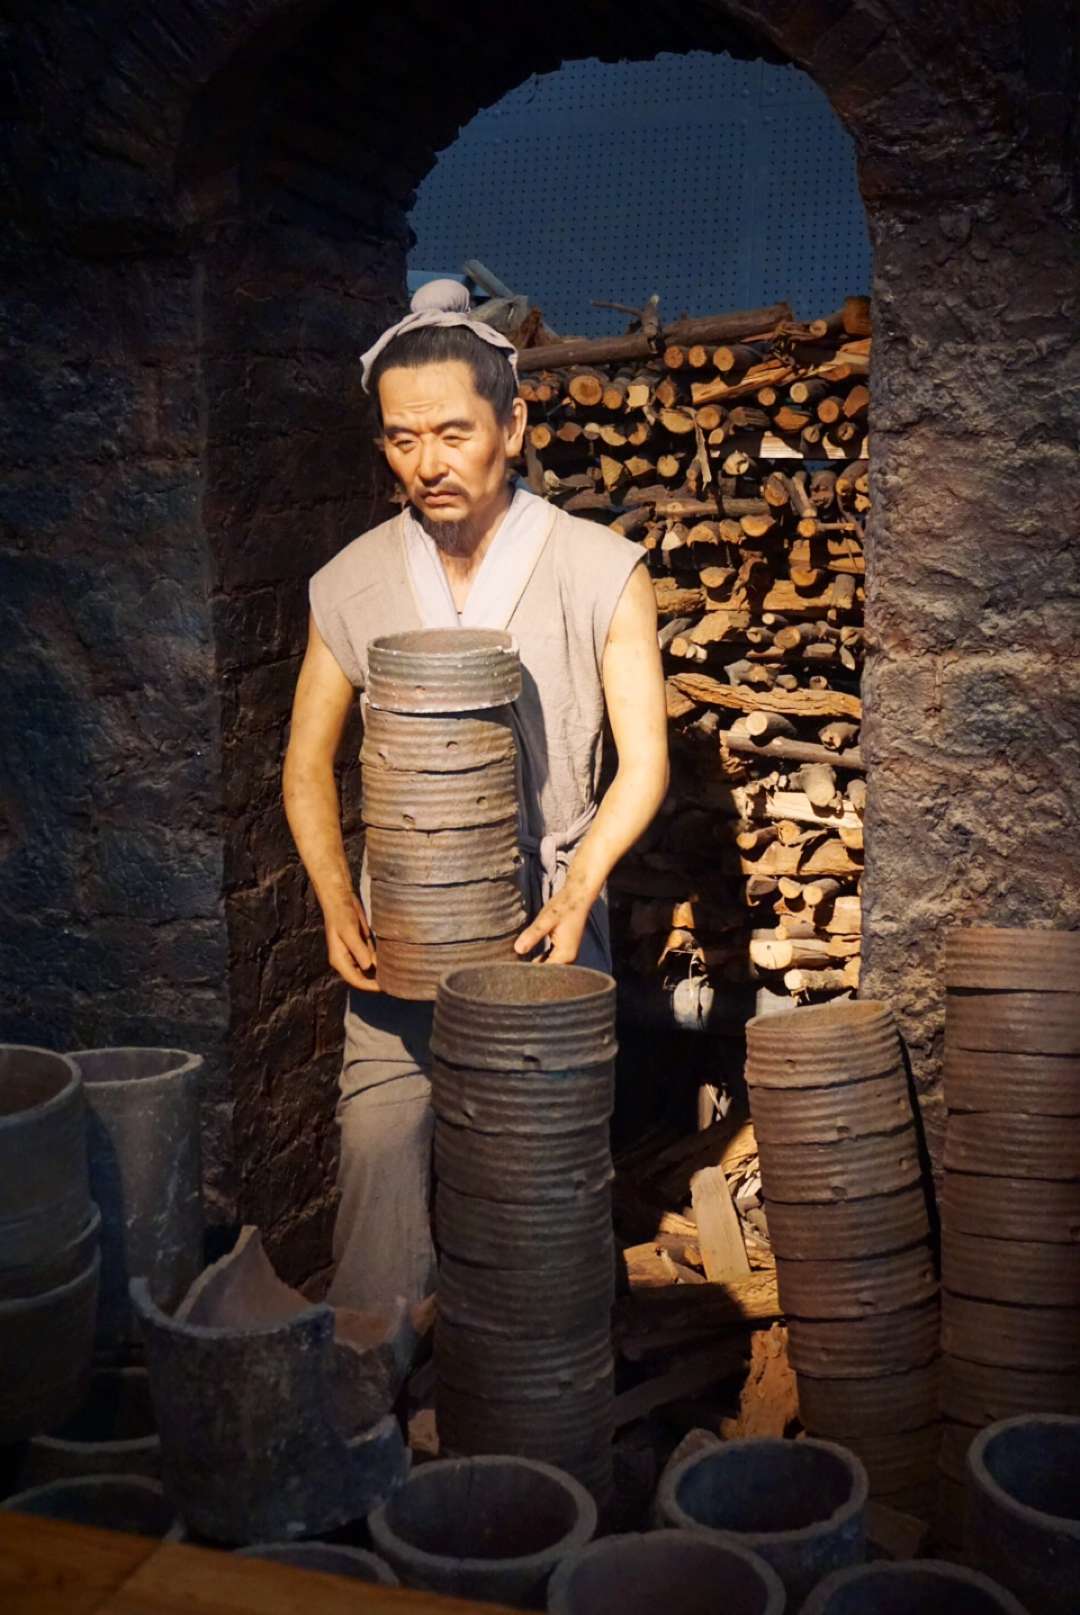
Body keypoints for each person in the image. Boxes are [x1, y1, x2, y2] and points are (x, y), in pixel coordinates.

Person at [283, 281, 669, 1309]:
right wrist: (336, 897)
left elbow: (645, 761)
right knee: (378, 1153)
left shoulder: (599, 570)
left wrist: (581, 887)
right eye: (402, 439)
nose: (427, 463)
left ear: (513, 426)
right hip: (402, 930)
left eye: (453, 433)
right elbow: (305, 763)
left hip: (545, 922)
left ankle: (541, 1363)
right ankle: (376, 1356)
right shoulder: (351, 580)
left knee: (539, 1189)